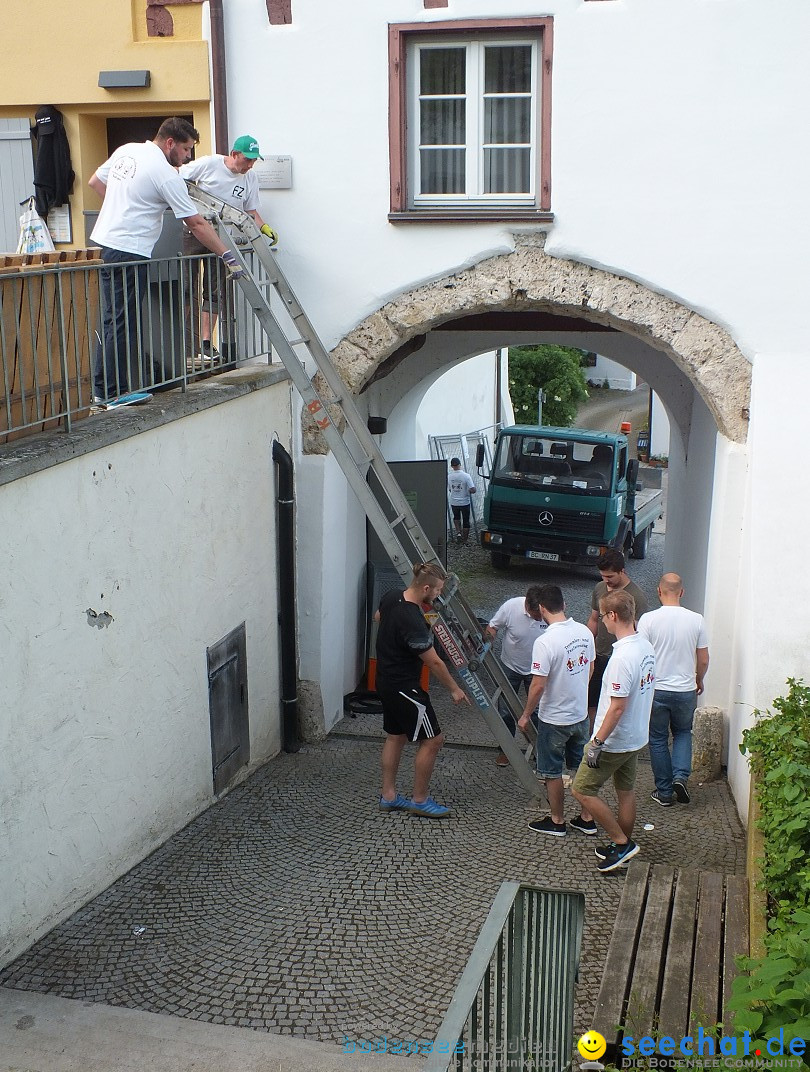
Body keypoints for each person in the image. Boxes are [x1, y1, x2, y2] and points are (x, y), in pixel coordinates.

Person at [88, 117, 240, 407]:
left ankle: (103, 390)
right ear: (170, 143)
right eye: (185, 149)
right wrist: (227, 255)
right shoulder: (164, 173)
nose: (187, 157)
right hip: (130, 250)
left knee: (112, 319)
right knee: (123, 321)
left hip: (107, 244)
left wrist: (125, 208)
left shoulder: (126, 150)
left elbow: (96, 182)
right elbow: (196, 222)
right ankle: (112, 394)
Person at [376, 562, 470, 818]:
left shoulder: (391, 596)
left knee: (396, 736)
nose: (439, 594)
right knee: (433, 740)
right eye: (438, 590)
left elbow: (378, 617)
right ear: (425, 587)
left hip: (385, 680)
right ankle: (420, 800)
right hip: (406, 688)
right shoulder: (412, 619)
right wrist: (454, 688)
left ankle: (389, 796)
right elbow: (435, 662)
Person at [572, 589, 656, 873]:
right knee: (626, 792)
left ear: (613, 615)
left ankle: (622, 843)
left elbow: (616, 707)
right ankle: (623, 844)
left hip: (614, 741)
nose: (602, 624)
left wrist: (596, 742)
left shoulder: (621, 659)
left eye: (603, 616)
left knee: (581, 789)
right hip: (635, 736)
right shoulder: (644, 646)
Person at [179, 135, 279, 362]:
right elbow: (177, 178)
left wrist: (264, 228)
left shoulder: (250, 178)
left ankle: (206, 343)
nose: (251, 165)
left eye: (254, 160)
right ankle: (187, 345)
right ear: (234, 154)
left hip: (222, 238)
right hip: (194, 231)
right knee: (187, 287)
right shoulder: (209, 164)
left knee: (214, 290)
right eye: (247, 159)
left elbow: (250, 212)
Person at [518, 585, 597, 837]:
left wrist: (526, 714)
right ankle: (587, 818)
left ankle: (557, 820)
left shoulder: (545, 642)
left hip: (554, 718)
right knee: (581, 768)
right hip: (580, 714)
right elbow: (591, 668)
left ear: (541, 609)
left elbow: (538, 684)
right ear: (564, 604)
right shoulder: (584, 632)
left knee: (552, 772)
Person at [638, 573, 709, 806]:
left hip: (657, 689)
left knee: (657, 739)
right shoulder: (697, 620)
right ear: (682, 592)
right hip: (685, 689)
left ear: (659, 591)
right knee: (682, 733)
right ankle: (680, 777)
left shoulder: (648, 620)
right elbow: (704, 659)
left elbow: (641, 656)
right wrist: (699, 679)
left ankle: (665, 792)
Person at [586, 549, 649, 729]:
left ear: (622, 571)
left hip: (620, 658)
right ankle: (593, 734)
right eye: (603, 576)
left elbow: (639, 631)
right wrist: (588, 646)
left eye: (610, 576)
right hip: (599, 655)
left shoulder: (636, 597)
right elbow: (593, 619)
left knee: (615, 701)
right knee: (592, 701)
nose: (606, 580)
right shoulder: (599, 588)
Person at [485, 586, 547, 767]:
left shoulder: (547, 612)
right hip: (510, 666)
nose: (538, 618)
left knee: (538, 711)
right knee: (505, 711)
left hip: (538, 671)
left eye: (540, 615)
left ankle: (538, 750)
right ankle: (507, 750)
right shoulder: (511, 607)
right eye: (535, 614)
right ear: (526, 605)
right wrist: (488, 642)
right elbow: (493, 626)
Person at [448, 458, 476, 544]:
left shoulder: (449, 476)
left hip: (454, 502)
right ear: (460, 465)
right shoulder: (466, 476)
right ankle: (465, 540)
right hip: (464, 502)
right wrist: (467, 491)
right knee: (466, 520)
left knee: (456, 517)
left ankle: (458, 533)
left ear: (452, 466)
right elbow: (473, 489)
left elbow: (450, 489)